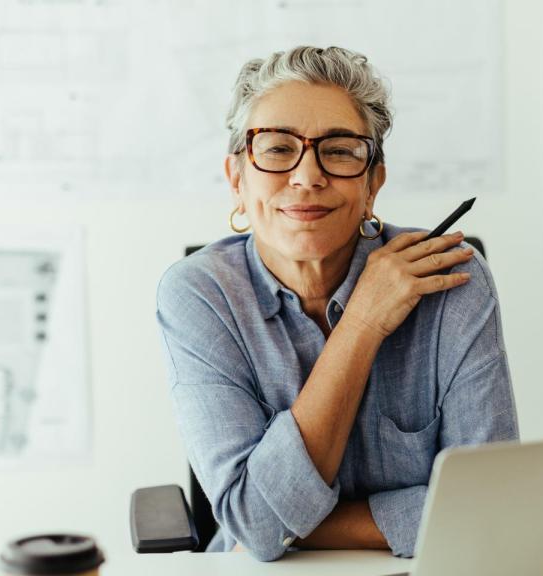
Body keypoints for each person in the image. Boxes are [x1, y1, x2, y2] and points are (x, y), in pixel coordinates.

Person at [156, 46, 517, 561]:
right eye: (278, 149)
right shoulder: (200, 295)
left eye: (341, 150)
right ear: (238, 179)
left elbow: (489, 505)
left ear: (373, 184)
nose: (307, 177)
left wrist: (301, 524)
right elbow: (255, 526)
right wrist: (363, 321)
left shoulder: (448, 276)